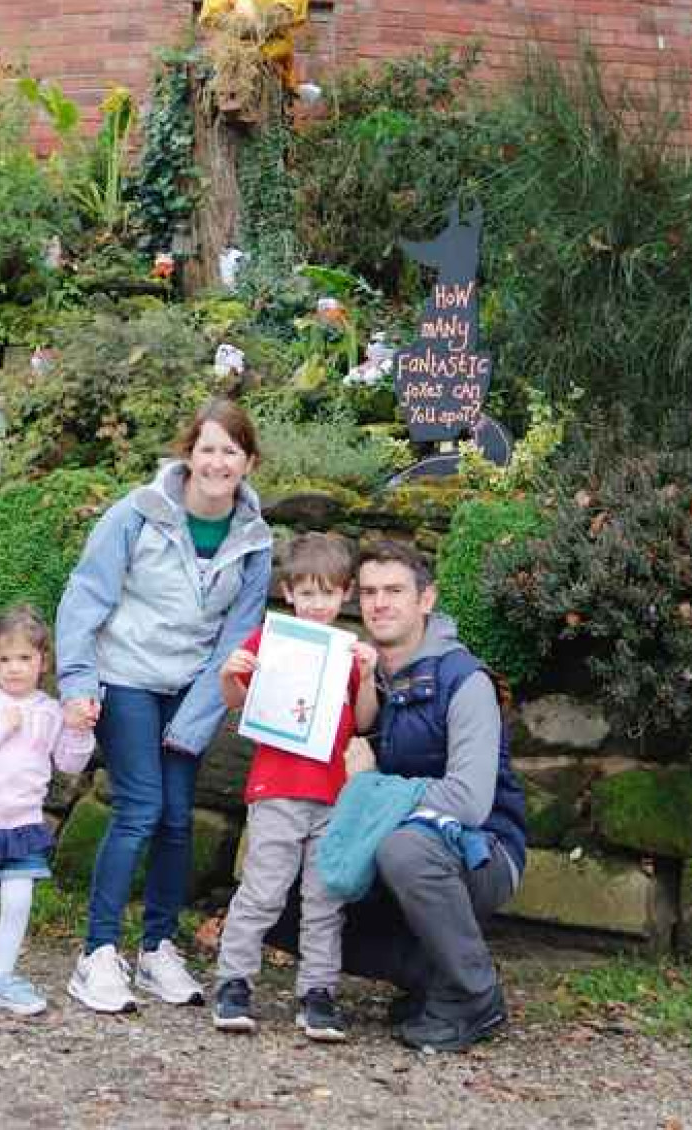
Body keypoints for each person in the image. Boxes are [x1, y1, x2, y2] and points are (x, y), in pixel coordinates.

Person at [55, 397, 272, 1013]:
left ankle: (156, 950)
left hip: (189, 688)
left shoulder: (254, 540)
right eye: (208, 448)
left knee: (178, 818)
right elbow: (86, 596)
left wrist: (199, 714)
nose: (218, 461)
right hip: (124, 676)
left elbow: (238, 637)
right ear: (188, 455)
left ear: (248, 462)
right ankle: (96, 955)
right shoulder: (137, 513)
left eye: (231, 450)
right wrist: (78, 682)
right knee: (141, 808)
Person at [347, 540, 526, 1052]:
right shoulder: (362, 677)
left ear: (426, 600)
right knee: (283, 885)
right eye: (369, 592)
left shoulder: (464, 680)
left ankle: (474, 996)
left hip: (482, 851)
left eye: (395, 591)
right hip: (395, 844)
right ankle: (434, 975)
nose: (379, 603)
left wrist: (369, 787)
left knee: (404, 849)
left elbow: (468, 801)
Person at [212, 533, 378, 1042]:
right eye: (307, 593)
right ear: (289, 593)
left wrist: (368, 677)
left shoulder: (350, 653)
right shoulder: (269, 641)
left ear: (344, 595)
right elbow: (235, 701)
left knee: (324, 898)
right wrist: (230, 673)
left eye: (327, 594)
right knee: (263, 890)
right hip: (277, 789)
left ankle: (318, 992)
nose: (316, 604)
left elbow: (363, 723)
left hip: (331, 795)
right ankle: (234, 981)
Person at [0, 605, 95, 1015]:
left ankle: (1, 977)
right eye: (4, 659)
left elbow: (69, 763)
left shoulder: (49, 711)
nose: (14, 668)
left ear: (42, 662)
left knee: (19, 898)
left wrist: (79, 729)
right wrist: (0, 728)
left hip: (23, 823)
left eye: (25, 658)